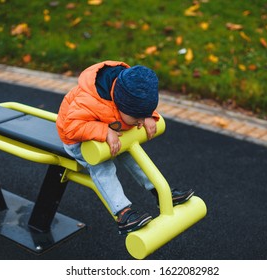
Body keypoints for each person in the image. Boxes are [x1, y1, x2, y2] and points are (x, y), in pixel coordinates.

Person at [56, 61, 194, 235]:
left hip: (110, 130)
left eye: (144, 116)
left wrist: (150, 116)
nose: (140, 122)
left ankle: (161, 193)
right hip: (78, 139)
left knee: (134, 155)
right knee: (103, 166)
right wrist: (104, 131)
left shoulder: (129, 94)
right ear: (120, 105)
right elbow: (71, 127)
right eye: (138, 117)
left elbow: (139, 108)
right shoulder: (89, 100)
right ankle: (122, 213)